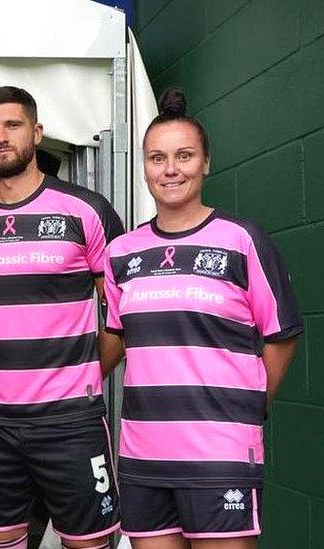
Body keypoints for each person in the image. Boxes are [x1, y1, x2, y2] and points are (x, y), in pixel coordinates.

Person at [103, 88, 302, 548]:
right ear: (145, 167)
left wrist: (249, 405)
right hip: (144, 456)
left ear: (206, 162)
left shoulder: (242, 240)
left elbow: (282, 335)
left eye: (184, 156)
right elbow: (118, 335)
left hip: (220, 454)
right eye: (157, 158)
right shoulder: (122, 254)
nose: (170, 169)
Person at [0, 86, 125, 549]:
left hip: (71, 420)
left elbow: (123, 316)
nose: (1, 136)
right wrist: (1, 372)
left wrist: (83, 373)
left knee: (86, 542)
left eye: (13, 124)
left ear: (37, 132)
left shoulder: (87, 210)